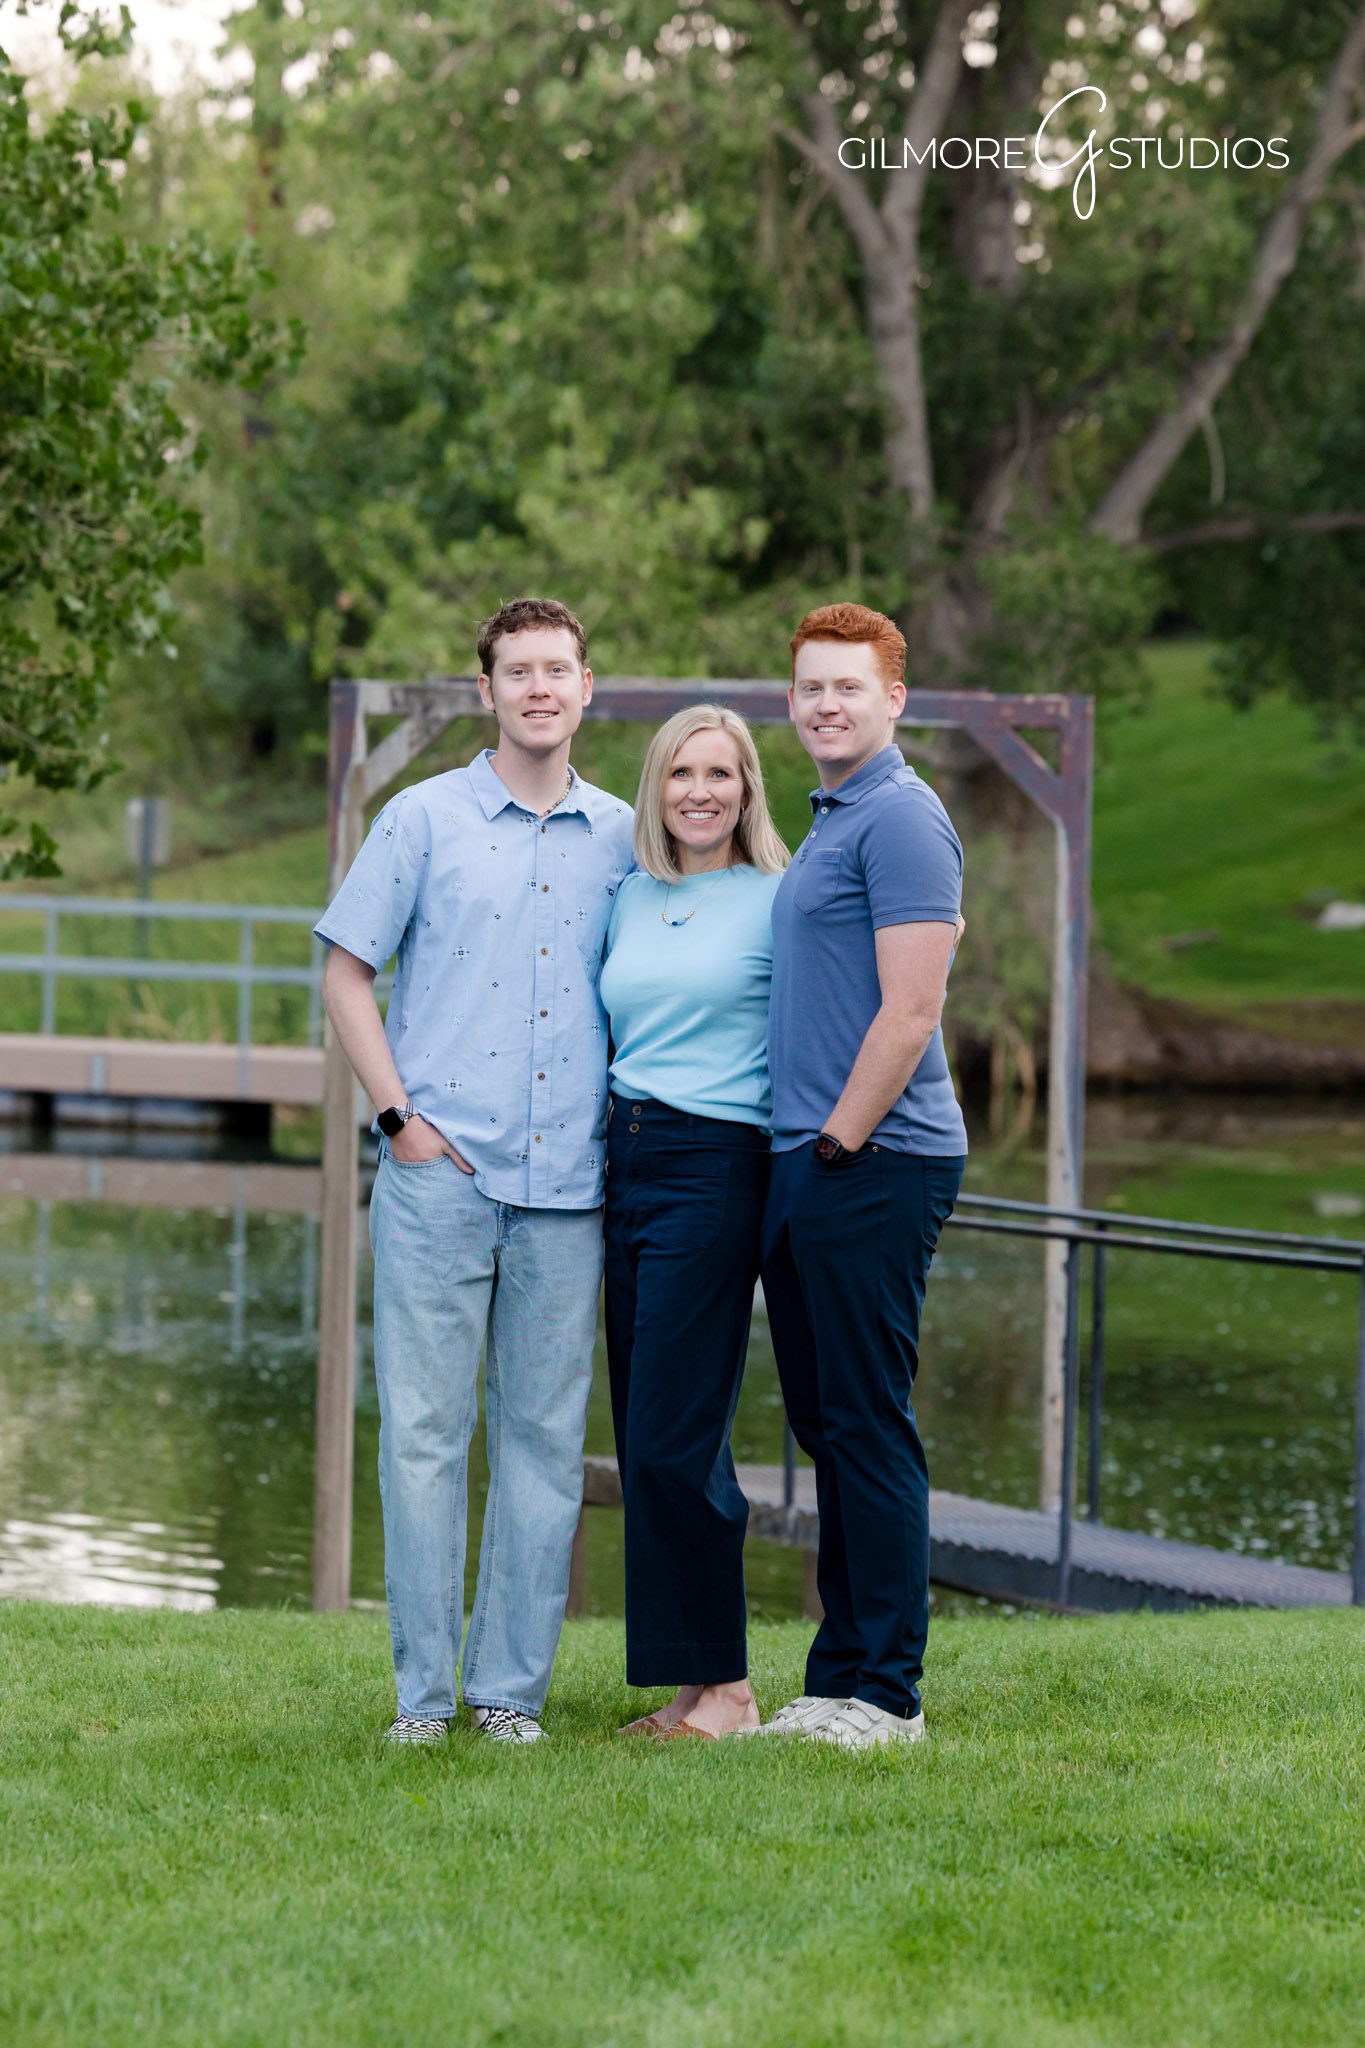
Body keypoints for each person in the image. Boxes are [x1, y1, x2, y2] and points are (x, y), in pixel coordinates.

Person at [314, 596, 634, 1745]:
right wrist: (397, 1116)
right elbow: (347, 971)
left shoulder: (624, 835)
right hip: (439, 1177)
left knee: (545, 1445)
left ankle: (507, 1695)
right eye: (518, 671)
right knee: (423, 1438)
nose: (540, 687)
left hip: (569, 1192)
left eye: (559, 669)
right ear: (485, 691)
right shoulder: (423, 819)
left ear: (587, 687)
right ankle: (421, 1697)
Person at [756, 602, 967, 1749]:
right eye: (810, 688)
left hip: (873, 1157)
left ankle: (889, 1692)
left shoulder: (903, 818)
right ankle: (836, 1678)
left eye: (848, 686)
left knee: (869, 1425)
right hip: (814, 1157)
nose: (826, 703)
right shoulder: (834, 817)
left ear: (895, 698)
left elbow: (915, 1006)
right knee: (831, 1426)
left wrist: (836, 1144)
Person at [599, 706, 789, 1740]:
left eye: (721, 772)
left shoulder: (778, 899)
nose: (701, 790)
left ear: (747, 788)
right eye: (682, 772)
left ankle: (729, 1689)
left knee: (677, 1432)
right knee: (648, 1433)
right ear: (656, 788)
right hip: (623, 1156)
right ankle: (692, 1685)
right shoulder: (629, 895)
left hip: (716, 1162)